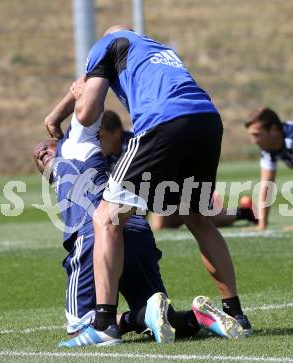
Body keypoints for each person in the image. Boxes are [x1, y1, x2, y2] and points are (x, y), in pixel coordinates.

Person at [49, 25, 252, 345]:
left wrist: (65, 112)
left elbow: (87, 113)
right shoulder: (156, 48)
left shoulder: (105, 44)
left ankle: (103, 323)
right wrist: (55, 113)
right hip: (206, 120)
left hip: (163, 122)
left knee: (106, 217)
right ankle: (236, 312)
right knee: (198, 218)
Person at [32, 108, 245, 347]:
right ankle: (199, 319)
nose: (40, 152)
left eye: (45, 147)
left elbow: (85, 94)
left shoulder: (76, 145)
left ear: (61, 141)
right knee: (167, 321)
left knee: (80, 327)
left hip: (97, 235)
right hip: (134, 232)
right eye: (37, 158)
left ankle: (139, 317)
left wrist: (53, 120)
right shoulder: (61, 176)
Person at [99, 110, 258, 230]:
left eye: (102, 137)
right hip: (158, 191)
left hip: (174, 181)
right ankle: (242, 211)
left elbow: (146, 182)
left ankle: (239, 212)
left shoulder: (139, 143)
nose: (99, 142)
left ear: (117, 133)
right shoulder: (103, 154)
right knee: (168, 223)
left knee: (193, 218)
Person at [245, 107, 293, 230]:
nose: (254, 141)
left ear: (273, 129)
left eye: (257, 135)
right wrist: (262, 224)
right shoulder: (268, 149)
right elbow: (266, 186)